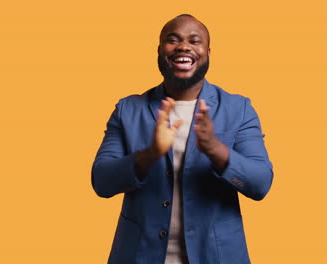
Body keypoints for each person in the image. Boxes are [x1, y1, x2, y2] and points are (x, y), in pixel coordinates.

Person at [91, 14, 273, 264]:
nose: (183, 47)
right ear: (159, 50)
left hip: (218, 257)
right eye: (173, 40)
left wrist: (215, 150)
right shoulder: (127, 109)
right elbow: (101, 181)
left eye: (194, 41)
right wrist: (150, 153)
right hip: (138, 256)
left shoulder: (238, 109)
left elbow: (261, 184)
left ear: (207, 52)